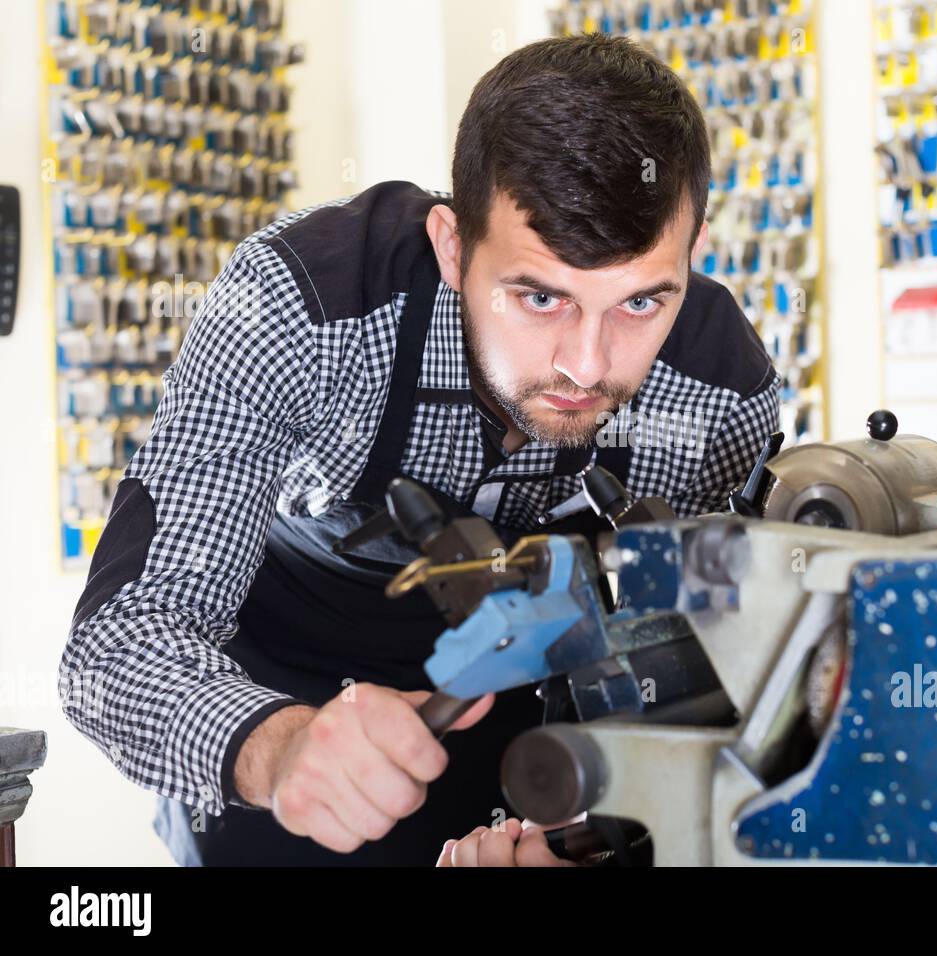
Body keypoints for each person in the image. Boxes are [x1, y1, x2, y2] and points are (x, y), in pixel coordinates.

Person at [60, 32, 780, 866]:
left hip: (535, 722)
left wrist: (604, 837)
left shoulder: (719, 389)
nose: (587, 364)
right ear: (451, 246)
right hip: (284, 699)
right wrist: (275, 748)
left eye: (641, 304)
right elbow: (118, 645)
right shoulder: (300, 310)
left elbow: (707, 679)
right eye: (540, 296)